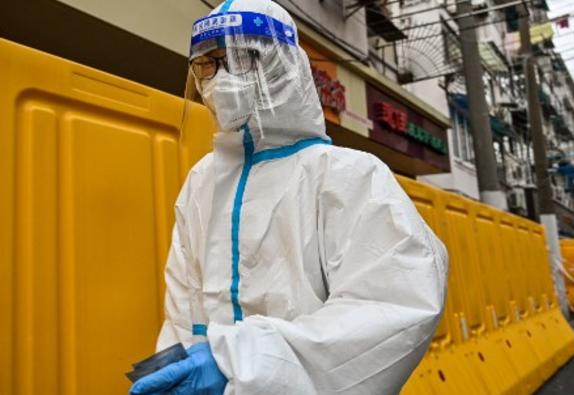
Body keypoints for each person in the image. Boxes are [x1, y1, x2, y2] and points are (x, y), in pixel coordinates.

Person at [129, 0, 447, 394]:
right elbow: (182, 304)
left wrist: (241, 363)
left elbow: (394, 307)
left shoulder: (348, 176)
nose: (222, 78)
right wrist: (177, 366)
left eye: (242, 57)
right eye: (209, 63)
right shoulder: (202, 182)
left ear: (284, 64)